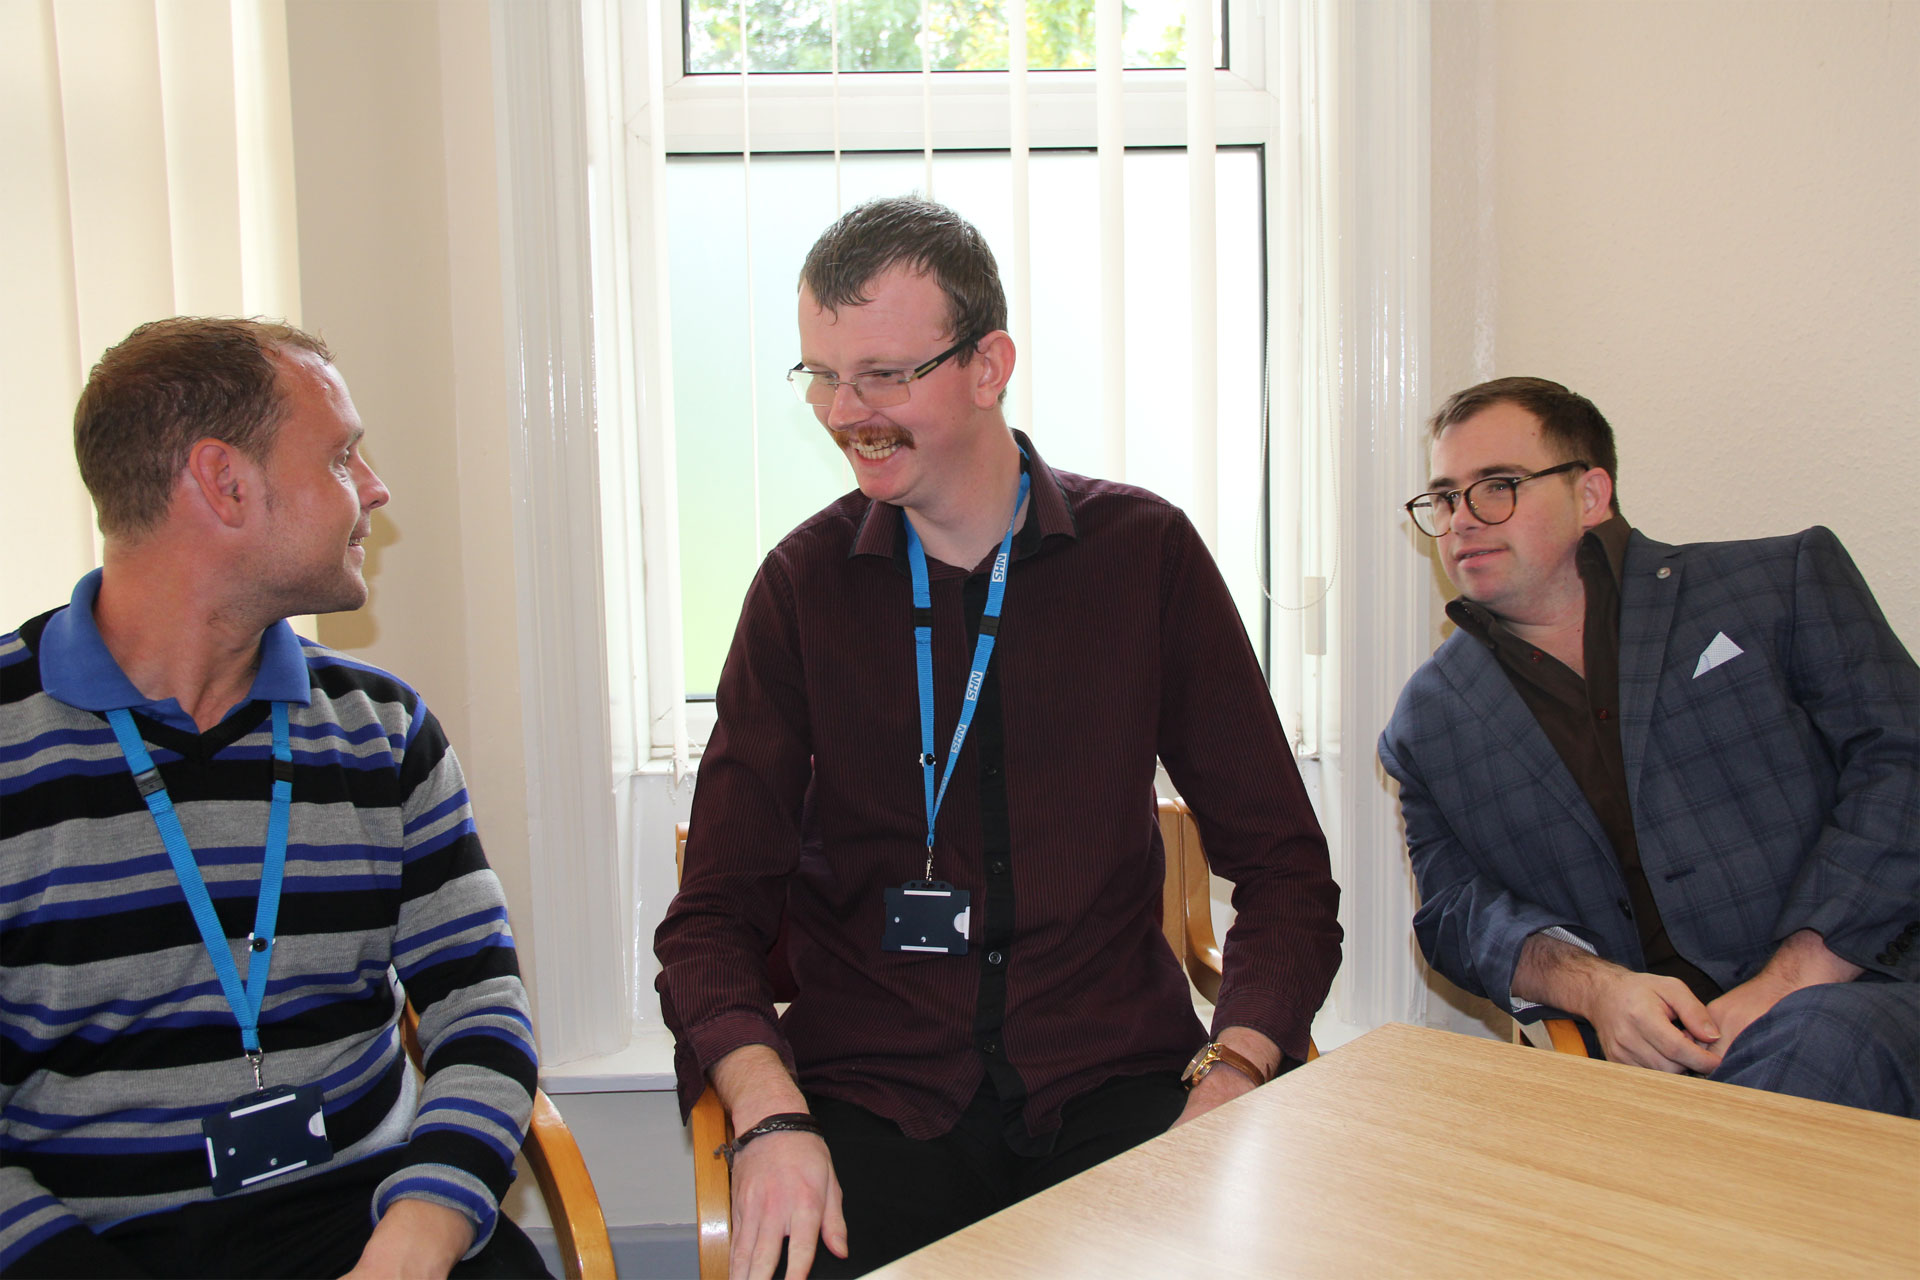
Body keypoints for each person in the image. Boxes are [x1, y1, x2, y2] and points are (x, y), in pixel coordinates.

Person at [655, 196, 1341, 1279]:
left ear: (989, 365)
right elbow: (710, 922)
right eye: (823, 376)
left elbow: (1288, 873)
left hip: (1114, 1085)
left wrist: (1234, 1074)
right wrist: (770, 1115)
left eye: (885, 374)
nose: (846, 412)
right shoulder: (802, 587)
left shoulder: (1144, 556)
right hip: (872, 1098)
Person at [0, 318, 547, 1278]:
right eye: (340, 456)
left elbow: (480, 1004)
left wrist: (423, 1232)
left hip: (376, 1216)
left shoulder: (380, 729)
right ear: (224, 482)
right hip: (93, 1242)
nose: (375, 488)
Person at [1378, 376, 1919, 1116]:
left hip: (1868, 991)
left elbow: (1904, 764)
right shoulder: (1427, 722)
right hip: (1647, 1060)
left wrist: (1789, 982)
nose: (1462, 519)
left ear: (1591, 494)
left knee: (1812, 1046)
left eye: (1496, 486)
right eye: (1443, 498)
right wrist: (1598, 991)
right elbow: (1454, 913)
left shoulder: (1777, 584)